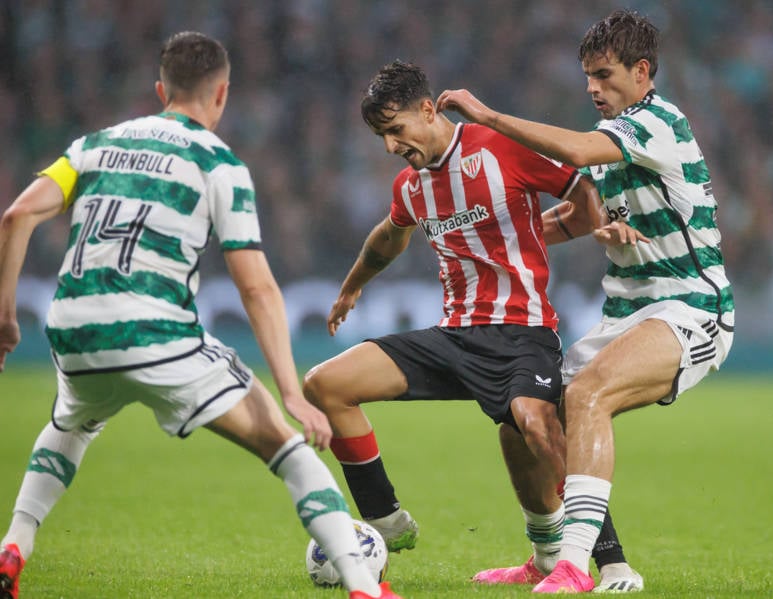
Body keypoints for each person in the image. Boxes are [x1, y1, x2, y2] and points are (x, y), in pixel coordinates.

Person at [0, 32, 402, 599]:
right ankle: (365, 586)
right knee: (286, 449)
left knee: (71, 425)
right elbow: (257, 287)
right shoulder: (218, 162)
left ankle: (14, 544)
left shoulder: (94, 144)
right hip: (155, 329)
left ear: (161, 89)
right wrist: (289, 390)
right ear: (222, 95)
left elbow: (16, 216)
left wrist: (5, 317)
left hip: (72, 326)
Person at [302, 59, 638, 591]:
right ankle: (386, 522)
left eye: (396, 130)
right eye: (381, 137)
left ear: (428, 109)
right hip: (455, 337)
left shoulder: (495, 147)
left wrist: (598, 227)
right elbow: (388, 237)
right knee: (325, 383)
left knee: (535, 423)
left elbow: (578, 186)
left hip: (523, 330)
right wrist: (351, 286)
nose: (391, 146)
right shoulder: (411, 187)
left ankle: (611, 560)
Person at [437, 9, 734, 593]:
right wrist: (496, 241)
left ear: (642, 70)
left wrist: (489, 117)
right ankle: (550, 556)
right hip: (625, 314)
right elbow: (582, 215)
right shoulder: (621, 133)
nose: (593, 88)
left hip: (691, 307)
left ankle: (578, 565)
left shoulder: (657, 121)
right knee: (523, 414)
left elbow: (573, 154)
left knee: (587, 393)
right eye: (587, 77)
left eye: (603, 75)